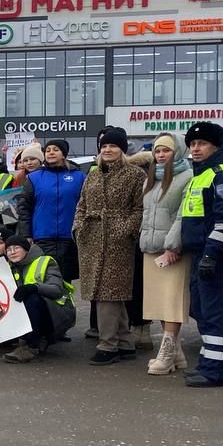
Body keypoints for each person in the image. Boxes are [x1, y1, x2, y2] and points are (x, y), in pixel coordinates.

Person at [179, 121, 223, 387]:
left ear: (216, 146)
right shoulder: (203, 174)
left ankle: (218, 372)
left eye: (202, 144)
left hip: (220, 256)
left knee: (218, 313)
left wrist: (211, 254)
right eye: (193, 144)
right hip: (203, 254)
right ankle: (208, 364)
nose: (195, 149)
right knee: (204, 312)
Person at [73, 126, 145, 365]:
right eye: (104, 146)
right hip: (91, 238)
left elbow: (139, 208)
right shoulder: (93, 174)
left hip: (118, 241)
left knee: (109, 293)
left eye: (113, 146)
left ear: (122, 149)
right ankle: (125, 343)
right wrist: (78, 227)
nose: (107, 150)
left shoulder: (135, 175)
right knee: (108, 294)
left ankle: (108, 345)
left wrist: (124, 230)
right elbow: (81, 204)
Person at [139, 133, 193, 376]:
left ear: (177, 152)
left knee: (172, 301)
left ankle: (167, 351)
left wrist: (173, 245)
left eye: (166, 151)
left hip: (173, 251)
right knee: (160, 303)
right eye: (157, 151)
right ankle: (176, 354)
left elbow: (183, 216)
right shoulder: (151, 179)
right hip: (151, 249)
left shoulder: (187, 177)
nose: (160, 155)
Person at [14, 138, 86, 287]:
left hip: (70, 238)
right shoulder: (34, 178)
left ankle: (66, 309)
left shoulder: (79, 177)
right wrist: (26, 235)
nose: (51, 153)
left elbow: (85, 206)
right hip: (42, 238)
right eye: (48, 150)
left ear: (64, 154)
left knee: (65, 282)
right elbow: (24, 209)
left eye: (55, 150)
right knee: (43, 279)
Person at [0, 234, 76, 363]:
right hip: (32, 313)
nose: (12, 252)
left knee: (32, 298)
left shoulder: (45, 261)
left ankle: (31, 346)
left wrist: (34, 287)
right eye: (8, 249)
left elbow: (56, 290)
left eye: (16, 248)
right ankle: (13, 338)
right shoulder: (8, 267)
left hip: (57, 314)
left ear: (26, 249)